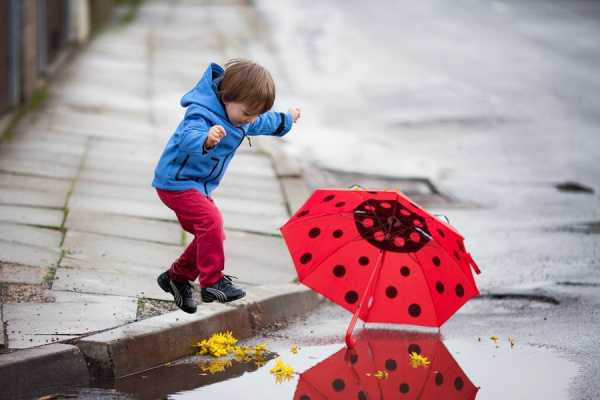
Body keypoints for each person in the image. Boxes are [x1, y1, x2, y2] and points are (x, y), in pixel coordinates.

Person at [153, 59, 301, 313]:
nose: (249, 121)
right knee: (211, 221)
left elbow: (266, 122)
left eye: (254, 115)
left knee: (212, 234)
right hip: (176, 182)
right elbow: (189, 136)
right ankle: (212, 282)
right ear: (226, 97)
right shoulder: (202, 112)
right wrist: (207, 139)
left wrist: (288, 119)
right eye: (246, 114)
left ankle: (176, 277)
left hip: (199, 185)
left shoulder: (244, 117)